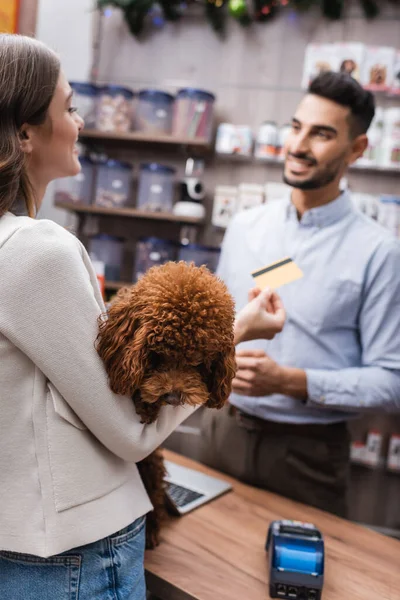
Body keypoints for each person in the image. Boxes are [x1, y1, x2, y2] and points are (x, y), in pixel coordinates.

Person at [0, 35, 285, 600]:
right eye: (70, 106)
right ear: (26, 133)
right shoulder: (38, 252)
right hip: (72, 557)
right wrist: (228, 340)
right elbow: (129, 433)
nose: (81, 122)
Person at [200, 71, 400, 518]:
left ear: (357, 149)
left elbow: (392, 381)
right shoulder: (246, 227)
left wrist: (290, 382)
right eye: (296, 127)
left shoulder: (380, 252)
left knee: (290, 584)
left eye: (322, 134)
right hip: (220, 431)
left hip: (306, 455)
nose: (298, 145)